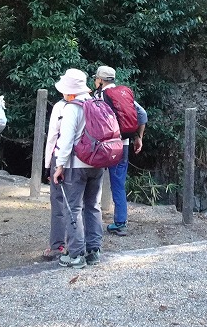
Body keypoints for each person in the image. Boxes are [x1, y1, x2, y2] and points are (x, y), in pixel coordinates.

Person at [51, 68, 103, 269]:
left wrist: (59, 165)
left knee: (73, 208)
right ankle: (94, 251)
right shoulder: (97, 103)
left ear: (70, 91)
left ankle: (76, 254)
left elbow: (66, 140)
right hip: (97, 163)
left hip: (76, 165)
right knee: (93, 205)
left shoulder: (72, 108)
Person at [93, 65, 147, 236]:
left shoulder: (99, 96)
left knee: (91, 181)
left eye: (96, 78)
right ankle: (120, 223)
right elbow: (142, 114)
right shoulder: (124, 94)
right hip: (122, 144)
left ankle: (88, 222)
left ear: (100, 80)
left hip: (101, 146)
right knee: (118, 184)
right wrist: (138, 137)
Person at [40, 91, 70, 261]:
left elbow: (52, 136)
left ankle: (58, 244)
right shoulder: (91, 102)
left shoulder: (60, 106)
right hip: (85, 159)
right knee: (83, 203)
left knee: (58, 200)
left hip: (60, 158)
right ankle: (84, 244)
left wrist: (47, 165)